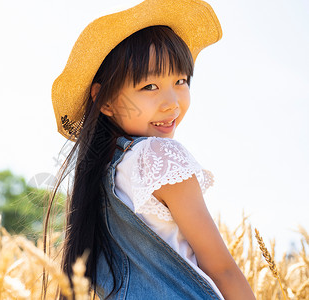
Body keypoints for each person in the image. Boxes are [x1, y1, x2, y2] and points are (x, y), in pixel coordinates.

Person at [45, 0, 256, 299]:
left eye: (180, 80)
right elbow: (221, 268)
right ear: (104, 100)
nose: (172, 102)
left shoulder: (103, 172)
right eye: (149, 87)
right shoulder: (159, 156)